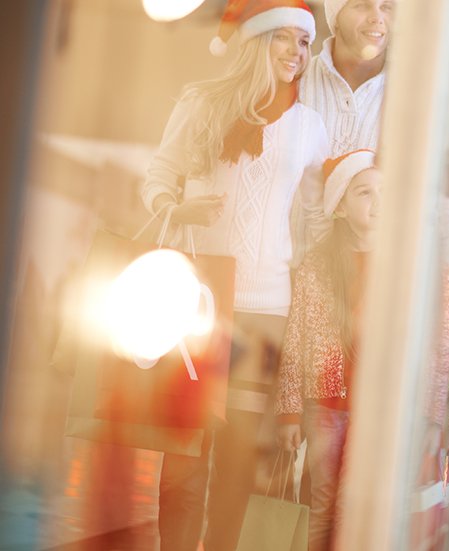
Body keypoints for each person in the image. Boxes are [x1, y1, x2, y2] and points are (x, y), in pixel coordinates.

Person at [141, 1, 330, 549]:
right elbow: (159, 175)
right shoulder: (202, 104)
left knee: (237, 465)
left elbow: (316, 218)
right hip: (199, 303)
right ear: (257, 41)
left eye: (304, 43)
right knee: (183, 460)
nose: (297, 54)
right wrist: (176, 210)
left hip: (266, 312)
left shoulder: (310, 128)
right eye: (286, 40)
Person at [275, 149, 381, 551]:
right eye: (365, 193)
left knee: (353, 506)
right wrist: (288, 412)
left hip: (374, 410)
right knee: (322, 504)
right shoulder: (318, 265)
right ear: (340, 205)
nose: (378, 203)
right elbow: (296, 339)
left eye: (383, 191)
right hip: (326, 407)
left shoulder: (398, 267)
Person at [302, 0, 394, 155]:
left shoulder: (410, 96)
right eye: (362, 5)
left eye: (386, 7)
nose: (377, 18)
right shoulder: (296, 81)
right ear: (336, 17)